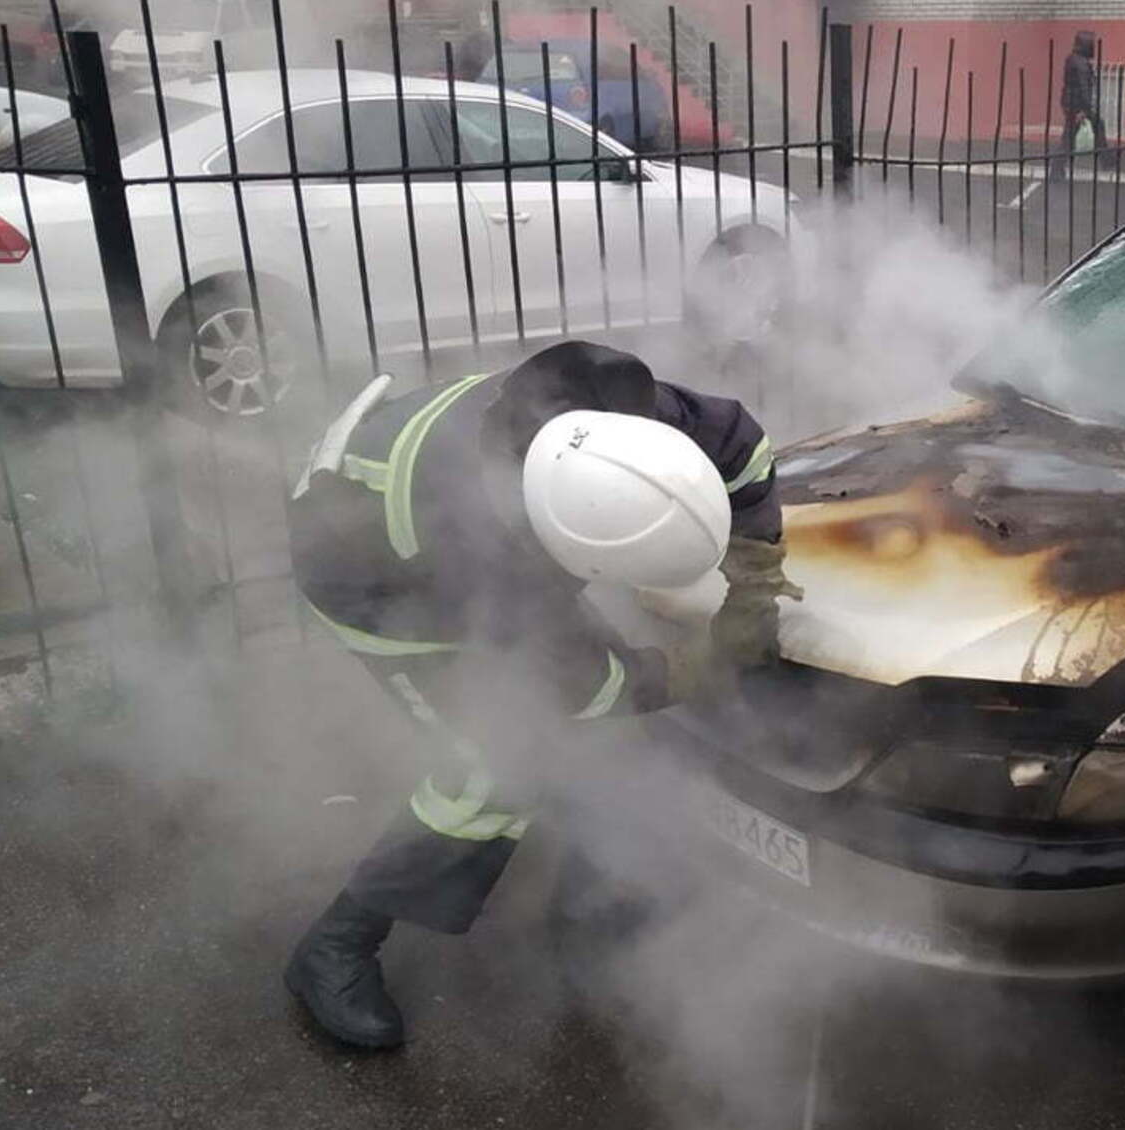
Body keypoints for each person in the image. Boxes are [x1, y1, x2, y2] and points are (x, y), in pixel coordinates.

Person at [283, 340, 798, 1049]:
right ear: (557, 548)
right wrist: (688, 671)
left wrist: (755, 578)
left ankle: (593, 882)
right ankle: (334, 945)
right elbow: (572, 686)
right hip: (365, 577)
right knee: (496, 768)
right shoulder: (462, 547)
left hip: (489, 532)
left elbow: (743, 447)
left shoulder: (625, 419)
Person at [1055, 30, 1106, 183]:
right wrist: (1084, 110)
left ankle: (1107, 160)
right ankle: (1056, 170)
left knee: (1070, 137)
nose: (1093, 48)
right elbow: (1084, 88)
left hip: (1071, 103)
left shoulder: (1073, 59)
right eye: (1091, 44)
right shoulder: (1080, 63)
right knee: (1069, 138)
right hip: (1077, 105)